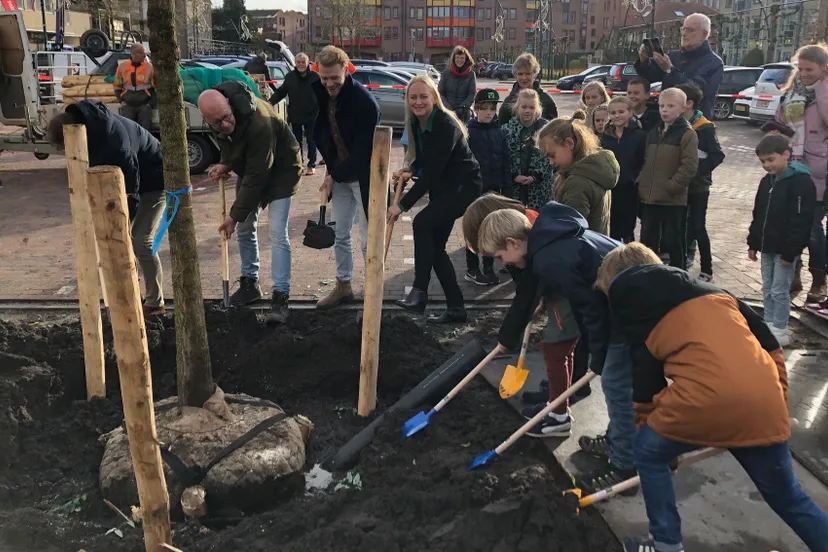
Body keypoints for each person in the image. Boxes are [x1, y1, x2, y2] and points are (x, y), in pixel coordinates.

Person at [595, 244, 828, 552]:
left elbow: (646, 382)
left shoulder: (635, 307)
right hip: (763, 405)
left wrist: (664, 450)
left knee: (647, 452)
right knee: (787, 496)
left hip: (703, 403)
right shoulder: (718, 293)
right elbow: (771, 347)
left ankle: (666, 544)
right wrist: (778, 404)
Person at [478, 204, 637, 492]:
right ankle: (617, 440)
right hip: (619, 298)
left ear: (514, 243)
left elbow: (590, 308)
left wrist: (598, 355)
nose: (503, 264)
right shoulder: (547, 240)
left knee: (616, 386)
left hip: (629, 305)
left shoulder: (551, 258)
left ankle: (624, 465)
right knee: (616, 383)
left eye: (501, 256)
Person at [463, 195, 580, 436]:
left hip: (573, 295)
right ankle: (560, 394)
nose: (500, 263)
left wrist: (507, 337)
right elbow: (526, 286)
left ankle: (559, 412)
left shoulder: (534, 239)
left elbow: (527, 291)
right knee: (559, 348)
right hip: (564, 290)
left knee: (556, 348)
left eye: (497, 257)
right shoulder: (524, 232)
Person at [46, 100, 166, 317]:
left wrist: (123, 218)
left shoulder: (114, 142)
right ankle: (129, 295)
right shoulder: (89, 133)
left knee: (141, 240)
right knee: (118, 240)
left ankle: (155, 302)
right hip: (128, 183)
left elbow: (132, 187)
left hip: (155, 181)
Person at [198, 82, 302, 323]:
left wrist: (233, 216)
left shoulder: (260, 122)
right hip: (254, 169)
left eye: (226, 118)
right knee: (245, 228)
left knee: (276, 232)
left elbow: (257, 176)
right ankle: (250, 284)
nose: (224, 125)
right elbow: (231, 145)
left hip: (282, 173)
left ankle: (281, 295)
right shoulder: (218, 118)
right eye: (216, 123)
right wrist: (227, 163)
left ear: (230, 105)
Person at [388, 75, 482, 323]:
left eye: (423, 96)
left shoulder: (445, 125)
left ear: (434, 98)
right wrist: (409, 171)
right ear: (407, 100)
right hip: (444, 186)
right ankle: (456, 308)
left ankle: (419, 292)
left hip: (464, 186)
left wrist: (402, 205)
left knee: (422, 223)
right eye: (413, 97)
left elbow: (433, 172)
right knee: (436, 249)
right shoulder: (417, 124)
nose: (418, 102)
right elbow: (425, 160)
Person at [312, 46, 381, 309]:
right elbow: (321, 133)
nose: (329, 83)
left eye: (335, 78)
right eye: (324, 78)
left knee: (367, 239)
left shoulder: (364, 103)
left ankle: (373, 289)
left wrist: (332, 176)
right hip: (339, 175)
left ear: (346, 69)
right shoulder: (319, 94)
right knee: (340, 234)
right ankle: (343, 286)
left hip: (366, 177)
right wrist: (331, 170)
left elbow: (364, 152)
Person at [772, 43, 828, 304]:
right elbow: (781, 120)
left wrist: (822, 89)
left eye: (810, 69)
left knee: (814, 228)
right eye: (800, 68)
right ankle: (793, 272)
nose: (804, 73)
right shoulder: (792, 91)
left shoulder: (824, 92)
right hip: (791, 164)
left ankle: (819, 279)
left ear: (823, 68)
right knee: (789, 222)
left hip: (818, 170)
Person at [748, 134, 816, 347]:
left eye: (770, 160)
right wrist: (753, 241)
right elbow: (758, 213)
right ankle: (768, 323)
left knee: (780, 289)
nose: (767, 165)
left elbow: (802, 221)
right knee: (767, 286)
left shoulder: (801, 183)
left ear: (786, 155)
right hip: (767, 245)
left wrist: (790, 251)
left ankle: (780, 326)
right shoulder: (766, 181)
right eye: (763, 161)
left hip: (785, 249)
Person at [637, 87, 699, 268]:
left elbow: (689, 167)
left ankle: (679, 276)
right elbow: (647, 160)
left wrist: (671, 187)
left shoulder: (688, 134)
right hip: (650, 197)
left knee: (674, 241)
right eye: (662, 105)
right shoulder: (654, 132)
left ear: (683, 108)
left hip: (672, 200)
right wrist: (642, 182)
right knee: (647, 241)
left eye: (670, 106)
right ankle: (647, 273)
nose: (664, 109)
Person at [676, 82, 725, 282]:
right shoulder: (675, 125)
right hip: (680, 187)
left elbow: (717, 155)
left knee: (697, 226)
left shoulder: (704, 127)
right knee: (679, 225)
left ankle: (707, 269)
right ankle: (680, 265)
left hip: (698, 187)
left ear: (687, 103)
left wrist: (695, 173)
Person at [538, 116, 619, 236]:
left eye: (552, 155)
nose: (550, 162)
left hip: (581, 252)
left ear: (569, 143)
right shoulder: (595, 169)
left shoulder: (578, 182)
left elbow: (570, 230)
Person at [465, 88, 513, 286]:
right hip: (474, 189)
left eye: (492, 109)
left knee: (490, 228)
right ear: (476, 109)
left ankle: (487, 266)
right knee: (473, 229)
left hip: (493, 188)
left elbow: (505, 162)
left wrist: (507, 188)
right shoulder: (469, 132)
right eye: (484, 108)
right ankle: (472, 268)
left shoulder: (498, 132)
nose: (488, 112)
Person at [634, 13, 724, 120]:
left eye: (690, 30)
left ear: (704, 34)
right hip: (668, 120)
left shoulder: (714, 62)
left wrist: (670, 70)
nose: (684, 33)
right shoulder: (674, 55)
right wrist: (644, 61)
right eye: (683, 29)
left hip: (695, 123)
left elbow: (696, 91)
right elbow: (651, 77)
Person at [602, 96, 647, 243]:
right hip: (610, 189)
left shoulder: (639, 136)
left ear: (630, 113)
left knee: (628, 229)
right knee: (612, 228)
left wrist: (635, 178)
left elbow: (643, 160)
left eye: (621, 111)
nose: (617, 116)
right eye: (613, 113)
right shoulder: (605, 137)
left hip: (630, 189)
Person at [502, 89, 554, 211]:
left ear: (537, 108)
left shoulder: (546, 129)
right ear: (517, 107)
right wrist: (513, 175)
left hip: (539, 187)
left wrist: (536, 176)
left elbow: (550, 156)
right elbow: (503, 157)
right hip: (514, 186)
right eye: (524, 107)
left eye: (531, 107)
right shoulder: (507, 129)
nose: (527, 110)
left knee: (537, 220)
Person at [270, 52, 320, 176]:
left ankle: (311, 164)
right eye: (299, 62)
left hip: (312, 115)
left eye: (303, 62)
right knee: (296, 141)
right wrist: (269, 103)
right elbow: (281, 92)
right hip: (296, 114)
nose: (301, 64)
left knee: (311, 140)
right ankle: (299, 163)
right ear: (295, 63)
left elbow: (323, 94)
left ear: (308, 63)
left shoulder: (315, 77)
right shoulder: (290, 77)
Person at [499, 53, 558, 126]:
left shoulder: (546, 100)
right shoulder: (508, 101)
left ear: (535, 74)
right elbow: (501, 128)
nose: (524, 78)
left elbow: (555, 128)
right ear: (515, 75)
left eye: (527, 74)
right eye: (520, 74)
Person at [113, 43, 155, 130]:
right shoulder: (122, 67)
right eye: (141, 53)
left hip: (144, 105)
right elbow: (117, 86)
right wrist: (121, 102)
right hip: (128, 105)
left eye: (144, 52)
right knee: (129, 130)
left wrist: (150, 103)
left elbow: (155, 87)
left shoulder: (149, 67)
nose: (144, 55)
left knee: (145, 132)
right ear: (133, 54)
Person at [438, 45, 477, 124]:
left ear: (466, 59)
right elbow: (440, 93)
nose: (459, 60)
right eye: (457, 58)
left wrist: (461, 109)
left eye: (462, 58)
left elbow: (472, 94)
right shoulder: (446, 73)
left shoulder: (471, 74)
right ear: (454, 59)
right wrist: (449, 108)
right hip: (447, 111)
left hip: (464, 113)